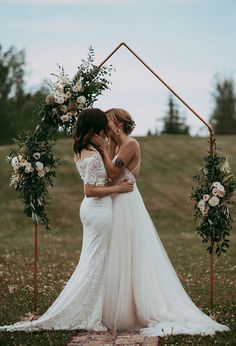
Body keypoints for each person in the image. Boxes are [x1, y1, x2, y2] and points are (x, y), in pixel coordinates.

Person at [91, 108, 230, 337]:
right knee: (116, 253)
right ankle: (115, 306)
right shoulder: (115, 146)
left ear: (119, 123)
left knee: (130, 252)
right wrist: (107, 147)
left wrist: (101, 148)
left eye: (108, 120)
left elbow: (112, 172)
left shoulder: (131, 144)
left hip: (127, 204)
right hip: (116, 201)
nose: (104, 124)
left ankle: (135, 309)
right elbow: (108, 178)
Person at [0, 108, 134, 332]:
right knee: (95, 263)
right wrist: (118, 188)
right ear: (95, 127)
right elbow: (90, 190)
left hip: (92, 211)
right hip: (98, 209)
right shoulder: (92, 156)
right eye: (102, 126)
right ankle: (90, 316)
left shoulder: (84, 150)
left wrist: (106, 150)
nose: (105, 130)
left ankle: (91, 310)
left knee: (91, 261)